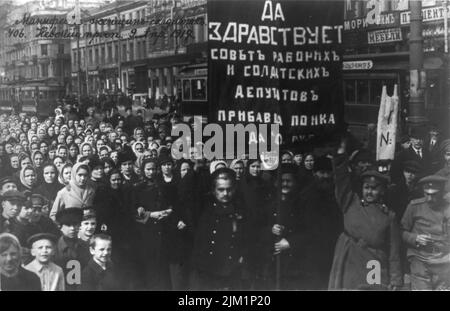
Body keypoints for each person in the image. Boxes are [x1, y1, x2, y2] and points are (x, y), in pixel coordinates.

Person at [328, 139, 402, 290]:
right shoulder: (350, 201)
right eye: (366, 187)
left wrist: (395, 279)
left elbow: (394, 251)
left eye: (374, 188)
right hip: (348, 257)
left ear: (382, 191)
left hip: (372, 263)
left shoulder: (389, 216)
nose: (369, 191)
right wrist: (341, 156)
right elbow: (341, 180)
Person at [190, 168, 247, 290]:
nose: (225, 193)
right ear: (213, 191)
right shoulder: (204, 209)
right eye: (221, 190)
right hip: (207, 271)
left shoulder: (241, 210)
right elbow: (188, 195)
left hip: (230, 270)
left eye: (229, 189)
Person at [401, 175, 450, 290]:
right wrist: (415, 238)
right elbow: (401, 231)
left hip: (444, 262)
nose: (429, 198)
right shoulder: (414, 207)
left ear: (442, 193)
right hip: (420, 259)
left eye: (433, 195)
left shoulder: (448, 208)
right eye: (426, 194)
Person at [53, 208, 90, 290]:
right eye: (68, 225)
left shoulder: (86, 247)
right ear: (60, 227)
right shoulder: (54, 249)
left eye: (75, 224)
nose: (72, 228)